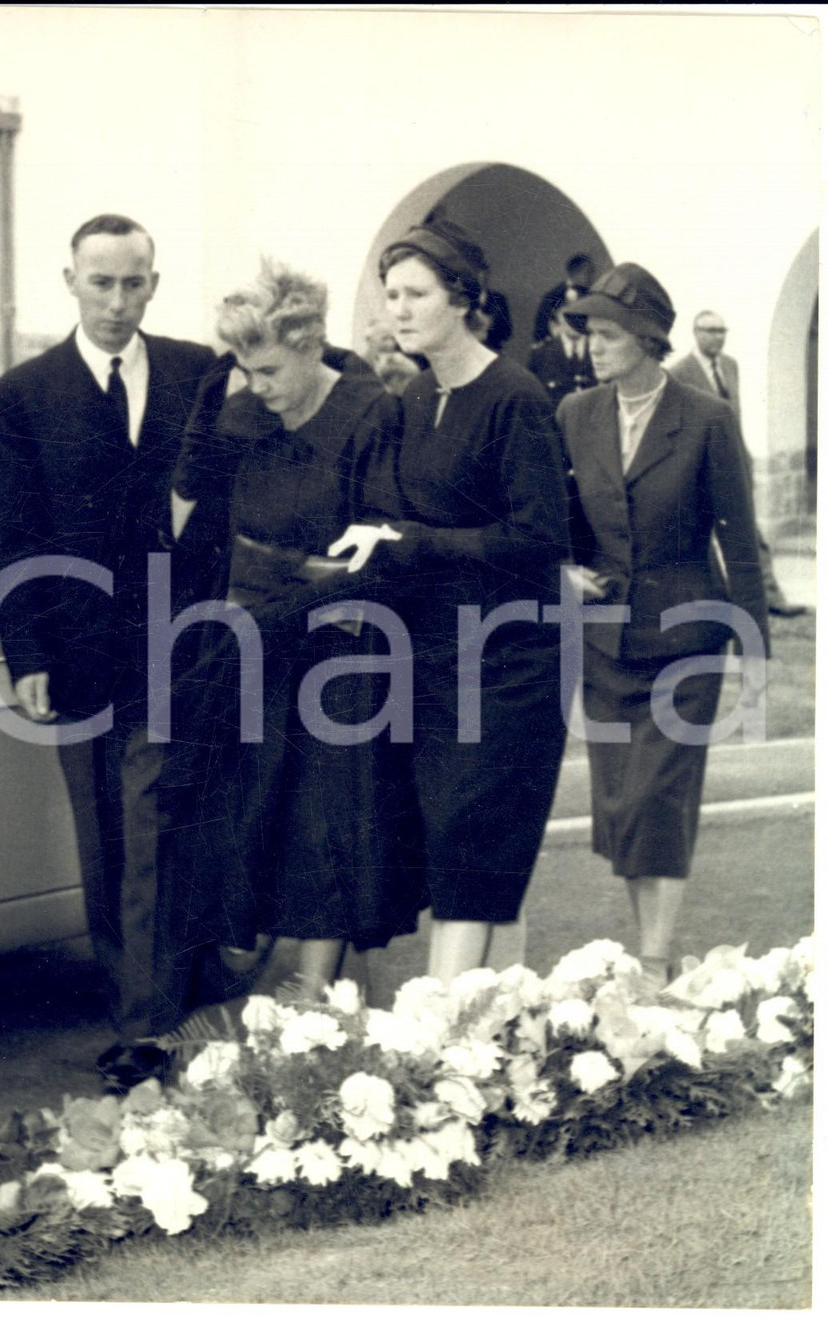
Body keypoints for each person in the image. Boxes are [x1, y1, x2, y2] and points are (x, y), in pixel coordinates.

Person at [0, 214, 239, 1076]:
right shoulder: (24, 393)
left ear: (154, 286)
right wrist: (29, 658)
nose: (118, 302)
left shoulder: (198, 373)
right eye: (102, 283)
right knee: (104, 843)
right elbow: (12, 535)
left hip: (175, 652)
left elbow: (219, 511)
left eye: (134, 283)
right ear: (71, 282)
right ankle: (140, 1003)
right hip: (73, 655)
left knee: (152, 829)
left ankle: (148, 1025)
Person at [152, 259, 426, 1008]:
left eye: (269, 368)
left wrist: (301, 593)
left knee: (326, 821)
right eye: (247, 369)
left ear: (311, 347)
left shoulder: (370, 414)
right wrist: (214, 396)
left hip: (339, 648)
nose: (260, 385)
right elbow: (189, 492)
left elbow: (376, 553)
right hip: (258, 638)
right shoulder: (249, 414)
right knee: (254, 812)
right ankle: (316, 991)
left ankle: (314, 993)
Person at [330, 219, 571, 985]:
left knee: (473, 839)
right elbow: (401, 518)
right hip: (435, 656)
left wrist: (421, 543)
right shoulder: (414, 396)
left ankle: (436, 1038)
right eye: (389, 294)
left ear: (462, 299)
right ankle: (498, 1032)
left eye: (415, 294)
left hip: (512, 661)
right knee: (467, 845)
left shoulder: (515, 397)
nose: (396, 310)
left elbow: (540, 538)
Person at [558, 265, 769, 992]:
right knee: (620, 805)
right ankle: (651, 948)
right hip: (606, 640)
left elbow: (738, 538)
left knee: (659, 799)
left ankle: (653, 958)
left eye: (608, 335)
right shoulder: (576, 415)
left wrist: (755, 647)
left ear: (648, 339)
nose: (593, 348)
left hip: (688, 641)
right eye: (588, 334)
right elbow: (566, 523)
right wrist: (567, 569)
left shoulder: (706, 418)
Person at [670, 311, 806, 617]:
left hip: (733, 460)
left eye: (723, 331)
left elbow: (735, 415)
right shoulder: (680, 372)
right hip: (699, 465)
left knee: (749, 531)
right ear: (696, 333)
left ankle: (769, 595)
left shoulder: (731, 366)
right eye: (711, 330)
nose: (718, 336)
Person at [527, 304, 596, 408]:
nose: (574, 321)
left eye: (580, 315)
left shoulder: (599, 349)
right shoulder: (541, 354)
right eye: (568, 315)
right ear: (557, 318)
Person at [532, 252, 596, 346]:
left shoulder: (593, 295)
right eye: (588, 272)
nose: (592, 277)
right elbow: (541, 329)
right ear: (575, 272)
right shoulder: (553, 296)